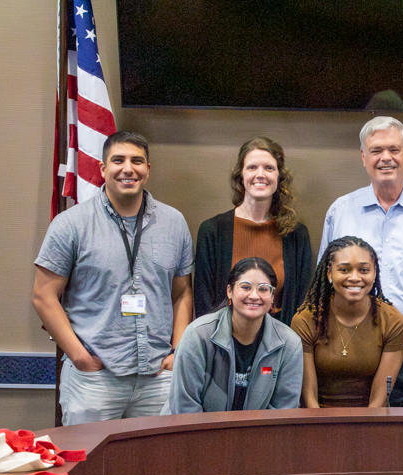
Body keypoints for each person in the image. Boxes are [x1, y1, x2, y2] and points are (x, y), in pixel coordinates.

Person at [33, 131, 194, 426]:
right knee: (91, 468)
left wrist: (178, 352)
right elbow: (43, 296)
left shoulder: (174, 223)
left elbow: (182, 293)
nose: (128, 168)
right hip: (94, 379)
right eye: (118, 160)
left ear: (148, 170)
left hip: (158, 379)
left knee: (156, 469)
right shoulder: (71, 224)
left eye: (137, 161)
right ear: (103, 169)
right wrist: (81, 358)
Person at [317, 117, 403, 406]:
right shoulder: (340, 211)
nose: (386, 158)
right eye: (376, 150)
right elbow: (323, 283)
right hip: (351, 359)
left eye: (394, 149)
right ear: (363, 157)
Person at [194, 137, 313, 325]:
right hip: (223, 345)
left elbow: (302, 304)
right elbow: (203, 304)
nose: (260, 174)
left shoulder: (296, 235)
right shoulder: (212, 232)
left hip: (281, 344)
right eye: (252, 167)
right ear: (240, 175)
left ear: (279, 176)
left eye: (269, 168)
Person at [162, 258, 303, 414]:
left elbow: (283, 412)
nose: (254, 295)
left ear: (272, 296)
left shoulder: (289, 344)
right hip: (193, 432)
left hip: (257, 435)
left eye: (263, 289)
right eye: (245, 287)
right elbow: (185, 406)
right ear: (229, 291)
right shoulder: (197, 335)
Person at [292, 237, 403, 407]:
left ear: (374, 272)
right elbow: (308, 397)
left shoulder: (393, 321)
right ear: (329, 273)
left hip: (371, 421)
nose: (354, 277)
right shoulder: (307, 319)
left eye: (364, 270)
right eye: (344, 270)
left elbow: (379, 400)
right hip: (317, 420)